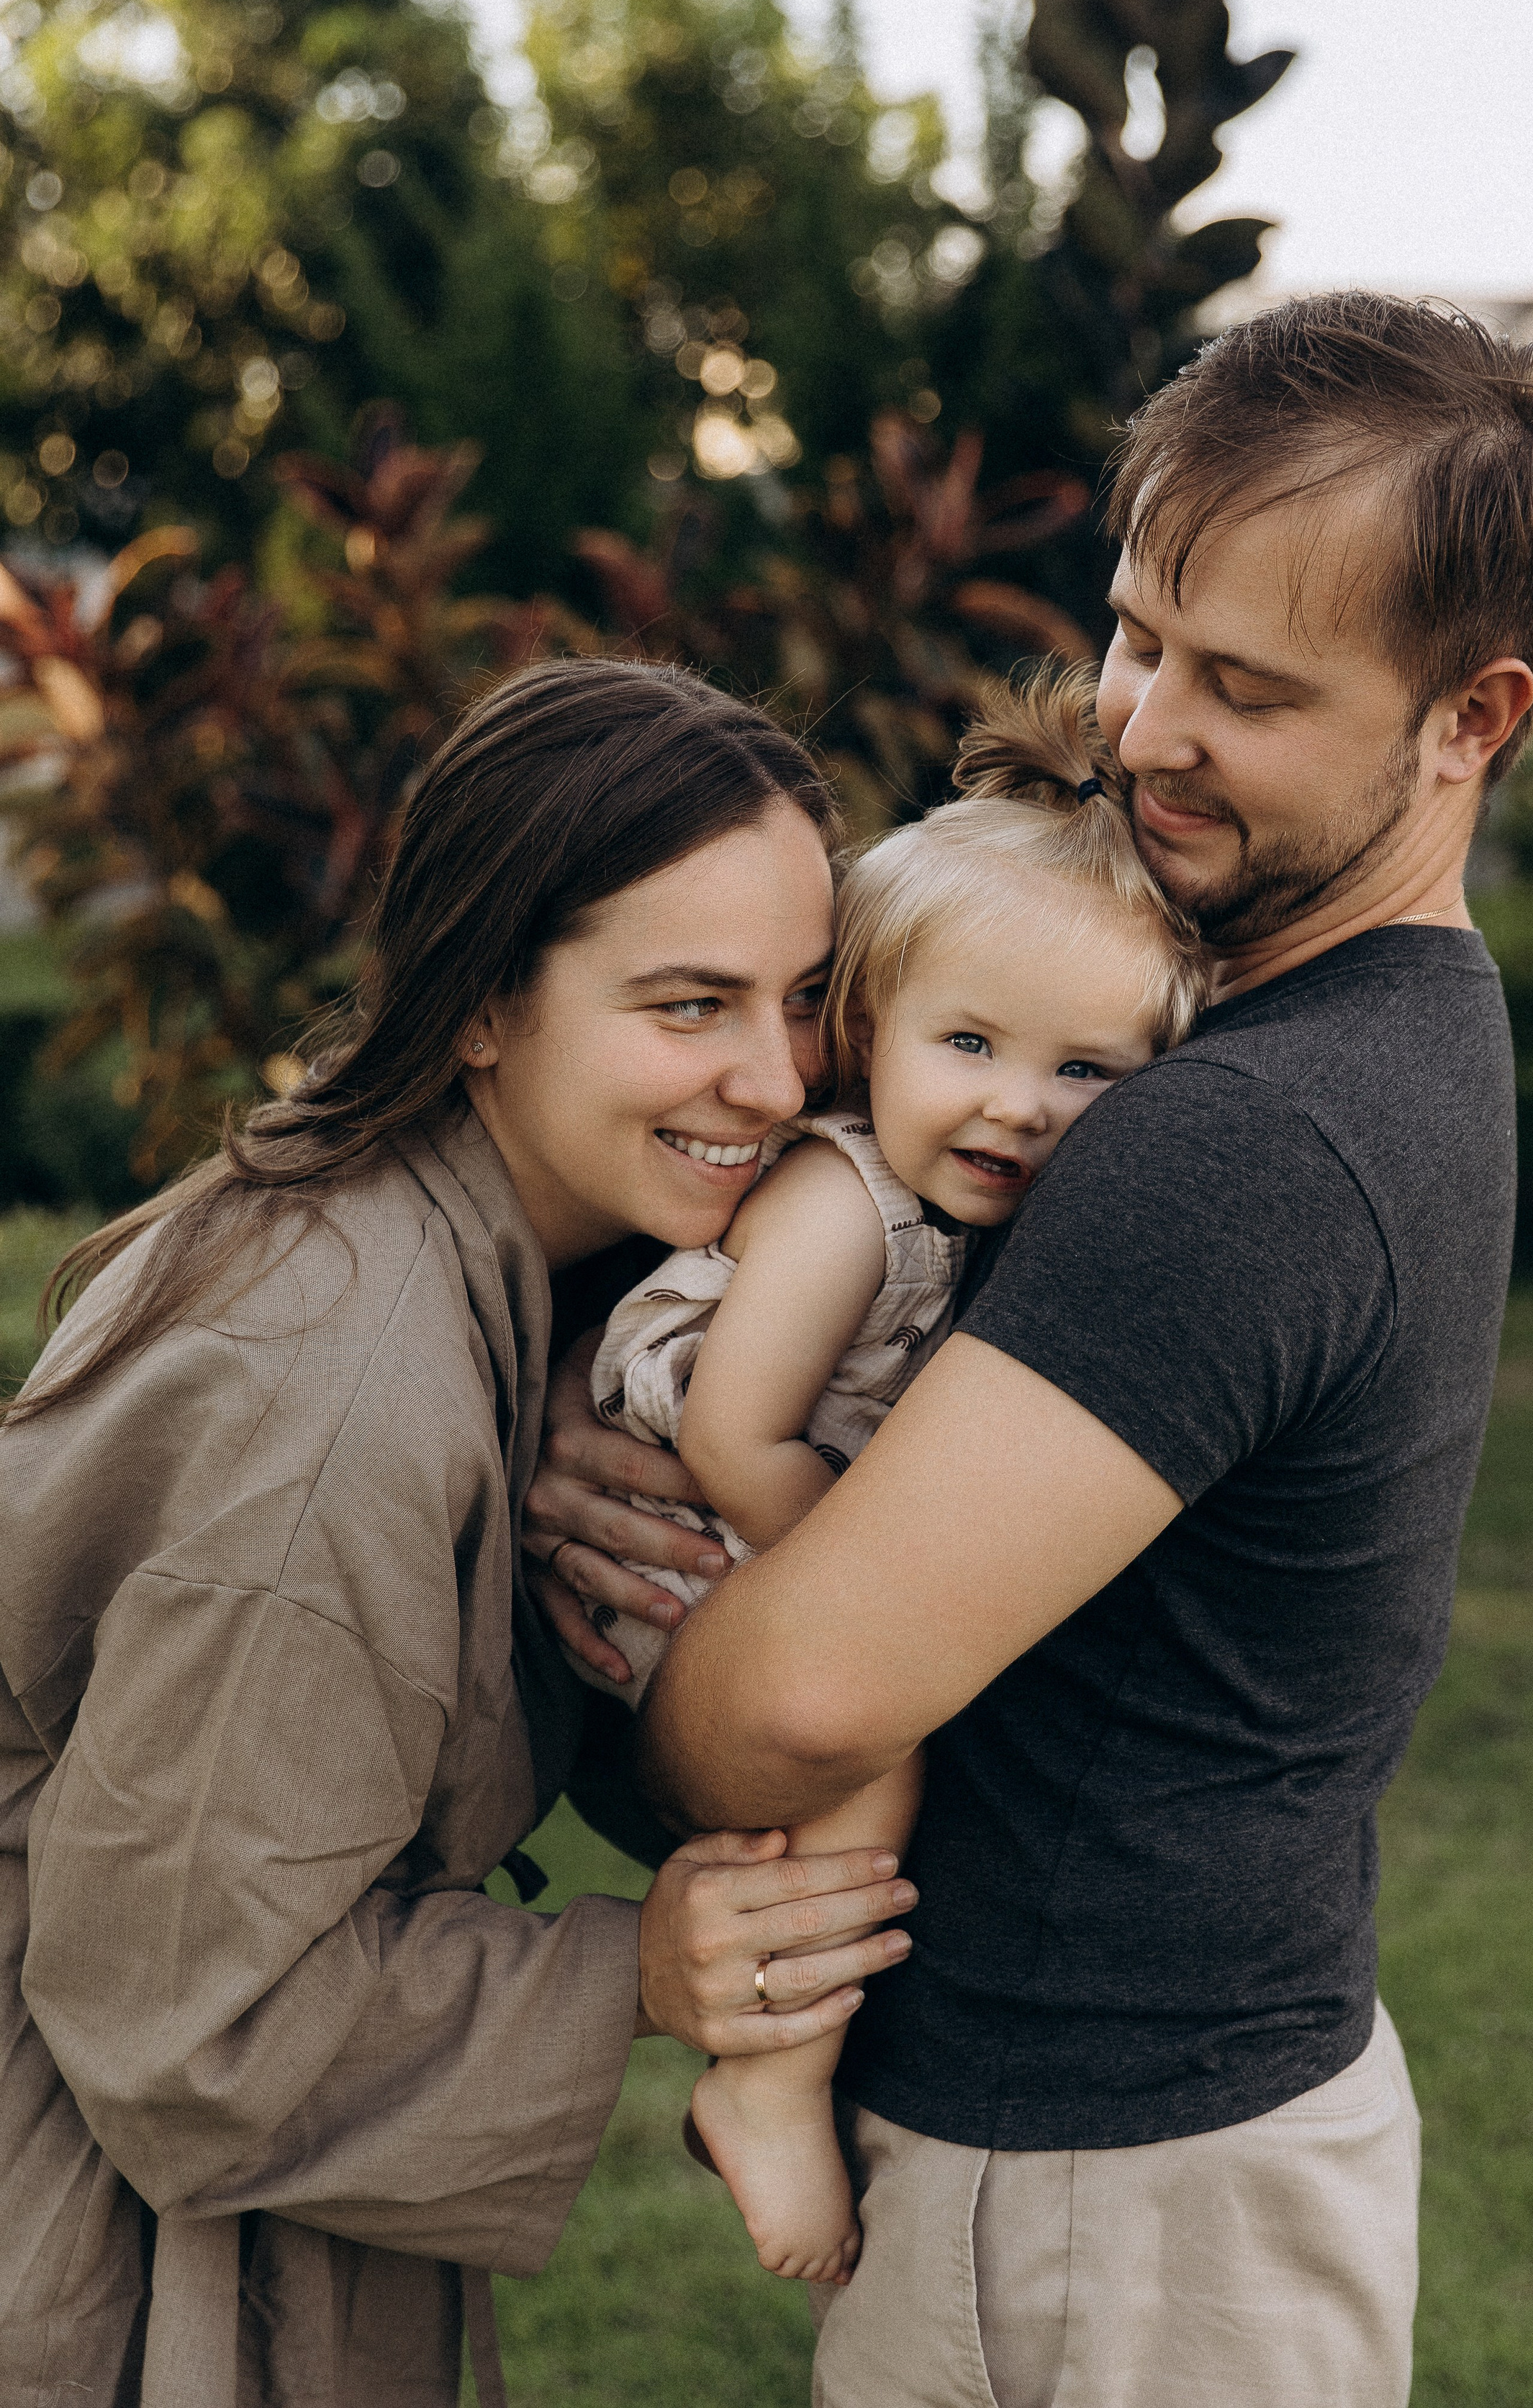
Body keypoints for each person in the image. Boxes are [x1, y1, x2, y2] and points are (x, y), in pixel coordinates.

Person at [531, 296, 1533, 2407]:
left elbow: (799, 1706)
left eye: (1245, 689)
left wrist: (594, 1604)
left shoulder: (1234, 1137)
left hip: (1101, 2197)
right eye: (1137, 635)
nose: (1137, 729)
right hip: (1180, 2133)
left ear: (1472, 716)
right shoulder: (1372, 1034)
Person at [0, 658, 922, 2408]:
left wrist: (575, 1383)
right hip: (96, 2261)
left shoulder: (500, 1290)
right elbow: (189, 2024)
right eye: (686, 1004)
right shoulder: (329, 1416)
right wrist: (630, 1974)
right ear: (485, 1002)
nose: (773, 1076)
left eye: (803, 999)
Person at [578, 669, 1208, 2286]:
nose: (1017, 1101)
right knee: (872, 1759)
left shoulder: (972, 1215)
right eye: (972, 1043)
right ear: (868, 1032)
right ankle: (770, 2085)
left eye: (1084, 1072)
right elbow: (729, 1434)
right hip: (688, 1526)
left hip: (750, 1521)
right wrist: (896, 1613)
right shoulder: (841, 1200)